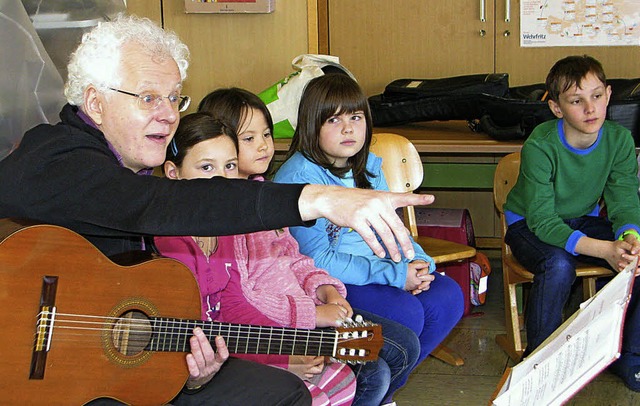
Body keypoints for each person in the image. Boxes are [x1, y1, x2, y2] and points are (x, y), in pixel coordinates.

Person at [0, 15, 435, 405]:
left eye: (174, 98)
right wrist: (317, 198)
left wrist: (193, 372)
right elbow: (160, 206)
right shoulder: (56, 158)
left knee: (293, 387)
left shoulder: (125, 168)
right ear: (95, 103)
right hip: (30, 371)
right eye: (148, 98)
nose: (168, 115)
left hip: (93, 360)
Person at [197, 87, 422, 405]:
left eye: (266, 133)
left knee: (402, 346)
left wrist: (327, 290)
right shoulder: (225, 219)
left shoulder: (265, 193)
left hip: (311, 309)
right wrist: (314, 313)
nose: (263, 145)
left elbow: (296, 257)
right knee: (376, 371)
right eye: (249, 138)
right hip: (287, 325)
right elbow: (244, 301)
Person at [154, 112, 357, 405]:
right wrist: (282, 358)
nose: (222, 180)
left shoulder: (224, 230)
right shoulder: (168, 240)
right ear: (174, 173)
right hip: (189, 361)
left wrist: (288, 349)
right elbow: (189, 332)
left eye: (230, 166)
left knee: (343, 380)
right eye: (206, 167)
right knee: (308, 395)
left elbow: (234, 307)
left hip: (223, 347)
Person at [273, 74, 464, 379]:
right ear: (312, 124)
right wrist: (395, 276)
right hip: (328, 282)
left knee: (448, 296)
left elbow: (393, 231)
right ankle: (363, 387)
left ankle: (385, 390)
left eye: (356, 117)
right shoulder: (298, 178)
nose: (348, 128)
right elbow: (316, 261)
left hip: (378, 269)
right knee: (405, 314)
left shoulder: (370, 167)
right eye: (334, 119)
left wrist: (419, 262)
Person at [502, 55, 640, 391]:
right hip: (528, 225)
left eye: (596, 96)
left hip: (583, 220)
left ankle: (628, 356)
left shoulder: (620, 140)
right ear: (557, 109)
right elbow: (544, 221)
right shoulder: (541, 144)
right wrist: (603, 249)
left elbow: (623, 201)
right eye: (576, 101)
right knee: (557, 265)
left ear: (608, 95)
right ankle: (539, 362)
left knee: (635, 260)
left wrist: (629, 238)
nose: (590, 108)